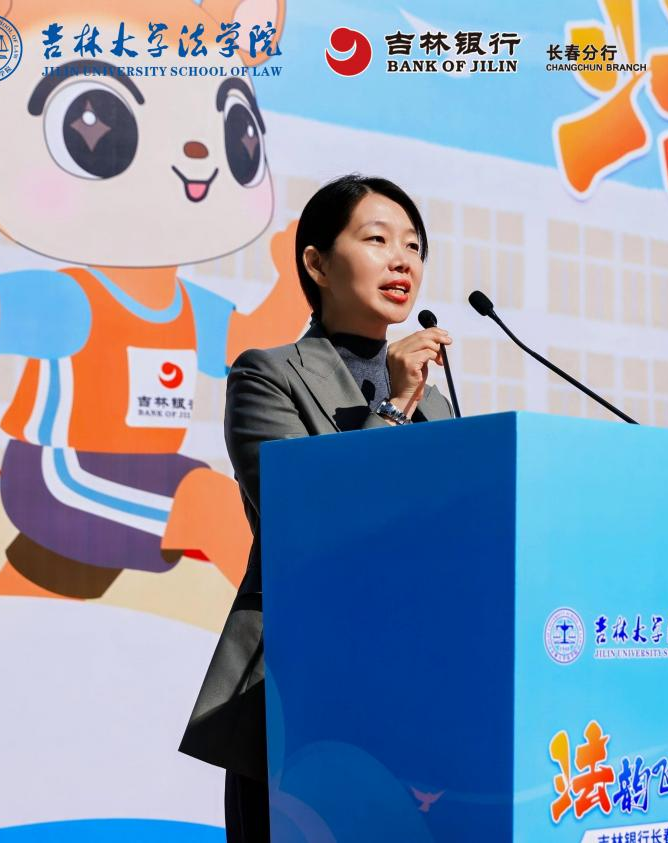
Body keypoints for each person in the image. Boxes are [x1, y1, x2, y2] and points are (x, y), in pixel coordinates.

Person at [178, 175, 453, 841]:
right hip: (300, 692)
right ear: (317, 263)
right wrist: (392, 406)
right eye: (377, 239)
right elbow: (310, 522)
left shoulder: (437, 408)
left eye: (414, 246)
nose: (402, 260)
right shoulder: (267, 376)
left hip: (412, 699)